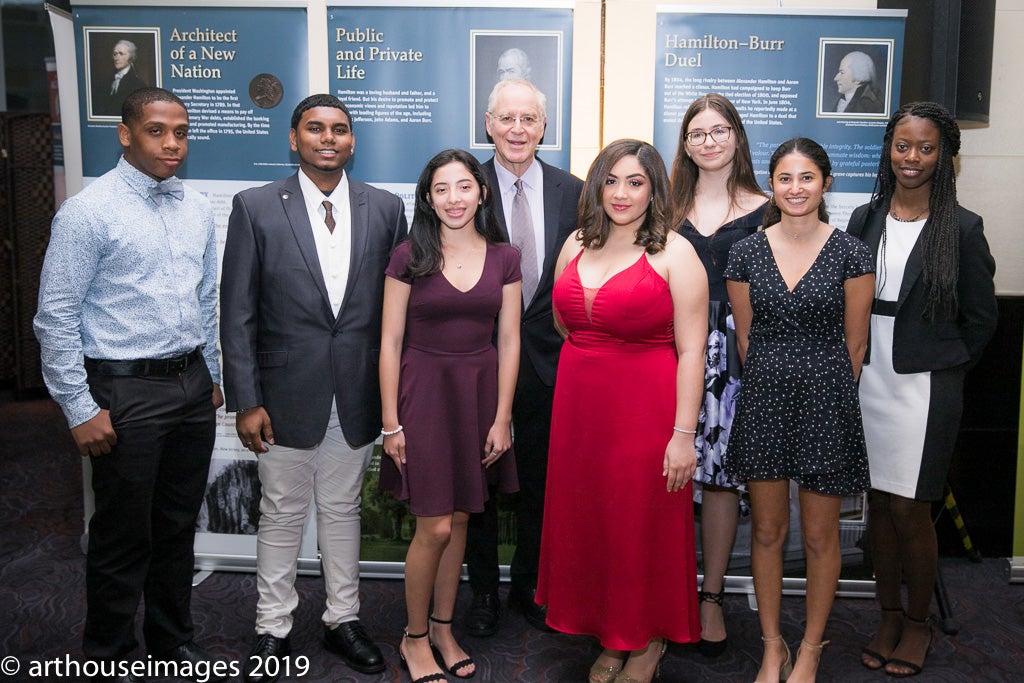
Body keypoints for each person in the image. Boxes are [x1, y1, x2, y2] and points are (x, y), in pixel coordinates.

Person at [34, 87, 226, 683]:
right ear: (126, 134)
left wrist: (213, 376)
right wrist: (77, 407)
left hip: (191, 385)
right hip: (123, 391)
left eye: (182, 132)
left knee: (176, 526)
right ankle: (109, 653)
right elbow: (56, 316)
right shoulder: (87, 213)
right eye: (157, 131)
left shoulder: (196, 208)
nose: (173, 144)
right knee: (122, 535)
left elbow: (206, 298)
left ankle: (172, 643)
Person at [220, 94, 408, 682]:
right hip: (280, 396)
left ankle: (342, 619)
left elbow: (394, 312)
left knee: (343, 509)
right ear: (294, 139)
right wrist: (247, 399)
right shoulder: (254, 207)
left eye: (340, 130)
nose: (329, 138)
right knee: (280, 513)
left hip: (355, 393)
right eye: (315, 128)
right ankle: (273, 626)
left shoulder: (384, 209)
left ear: (353, 142)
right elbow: (237, 313)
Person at [538, 139, 708, 683]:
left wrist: (683, 435)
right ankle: (612, 637)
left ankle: (647, 641)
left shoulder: (675, 253)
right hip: (579, 413)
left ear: (654, 188)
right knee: (593, 523)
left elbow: (692, 350)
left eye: (635, 181)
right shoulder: (575, 244)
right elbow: (567, 325)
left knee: (640, 524)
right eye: (611, 180)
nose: (621, 193)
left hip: (646, 410)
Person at [847, 102, 997, 678]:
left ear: (944, 155)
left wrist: (946, 369)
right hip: (867, 378)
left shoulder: (961, 226)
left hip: (924, 390)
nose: (912, 158)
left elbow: (981, 319)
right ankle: (887, 616)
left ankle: (916, 623)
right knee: (878, 508)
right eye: (902, 145)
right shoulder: (865, 216)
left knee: (912, 510)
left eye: (926, 147)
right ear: (889, 150)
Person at [724, 137, 875, 683]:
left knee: (819, 537)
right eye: (785, 178)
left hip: (826, 403)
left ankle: (810, 647)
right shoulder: (744, 253)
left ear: (826, 183)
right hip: (764, 399)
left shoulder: (853, 252)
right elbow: (746, 340)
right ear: (771, 185)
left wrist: (822, 392)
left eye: (806, 177)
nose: (795, 188)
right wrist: (780, 378)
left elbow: (856, 347)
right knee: (766, 532)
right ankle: (772, 647)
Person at [379, 148, 522, 683]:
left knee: (462, 515)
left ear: (482, 192)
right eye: (442, 189)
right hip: (424, 394)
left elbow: (509, 341)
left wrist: (503, 417)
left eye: (465, 186)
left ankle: (442, 627)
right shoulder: (407, 255)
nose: (454, 198)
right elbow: (390, 342)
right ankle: (413, 638)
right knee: (434, 523)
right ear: (427, 197)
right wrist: (391, 423)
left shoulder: (506, 258)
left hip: (480, 394)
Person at [462, 77, 584, 636]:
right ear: (488, 123)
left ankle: (532, 587)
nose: (517, 129)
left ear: (543, 127)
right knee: (478, 489)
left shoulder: (576, 191)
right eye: (506, 119)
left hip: (553, 365)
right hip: (476, 362)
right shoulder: (462, 186)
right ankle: (483, 592)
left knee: (542, 484)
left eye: (529, 119)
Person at [668, 92, 768, 658]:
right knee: (670, 476)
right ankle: (669, 592)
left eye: (719, 130)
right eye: (697, 132)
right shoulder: (663, 206)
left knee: (722, 480)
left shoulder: (768, 206)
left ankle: (710, 598)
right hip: (669, 354)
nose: (708, 140)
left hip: (737, 361)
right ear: (684, 143)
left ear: (736, 136)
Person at [95, 39, 148, 117]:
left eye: (121, 54)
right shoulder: (106, 82)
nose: (116, 58)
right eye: (115, 54)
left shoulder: (138, 84)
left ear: (130, 57)